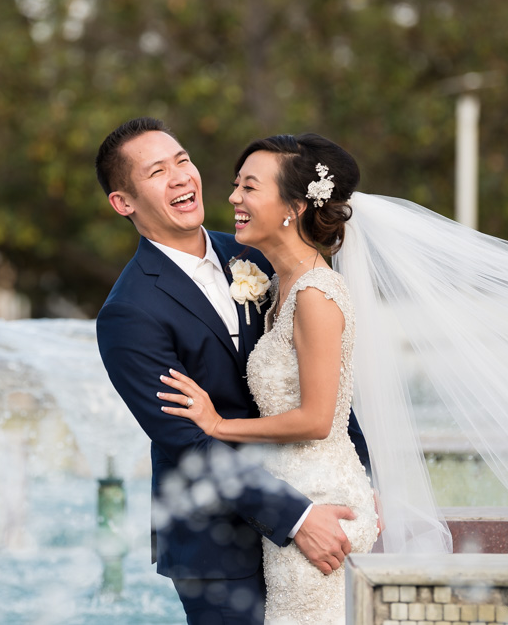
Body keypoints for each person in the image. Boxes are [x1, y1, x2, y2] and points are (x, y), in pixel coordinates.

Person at [165, 130, 508, 619]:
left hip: (320, 503)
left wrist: (217, 425)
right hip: (298, 494)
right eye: (236, 184)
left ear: (294, 205)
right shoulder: (277, 288)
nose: (233, 197)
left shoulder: (315, 295)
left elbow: (317, 418)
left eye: (249, 187)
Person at [94, 118, 373, 625]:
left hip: (325, 507)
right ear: (124, 202)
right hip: (220, 550)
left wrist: (362, 482)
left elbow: (326, 381)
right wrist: (297, 518)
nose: (181, 177)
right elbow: (189, 442)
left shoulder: (254, 252)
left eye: (182, 161)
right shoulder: (128, 313)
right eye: (157, 171)